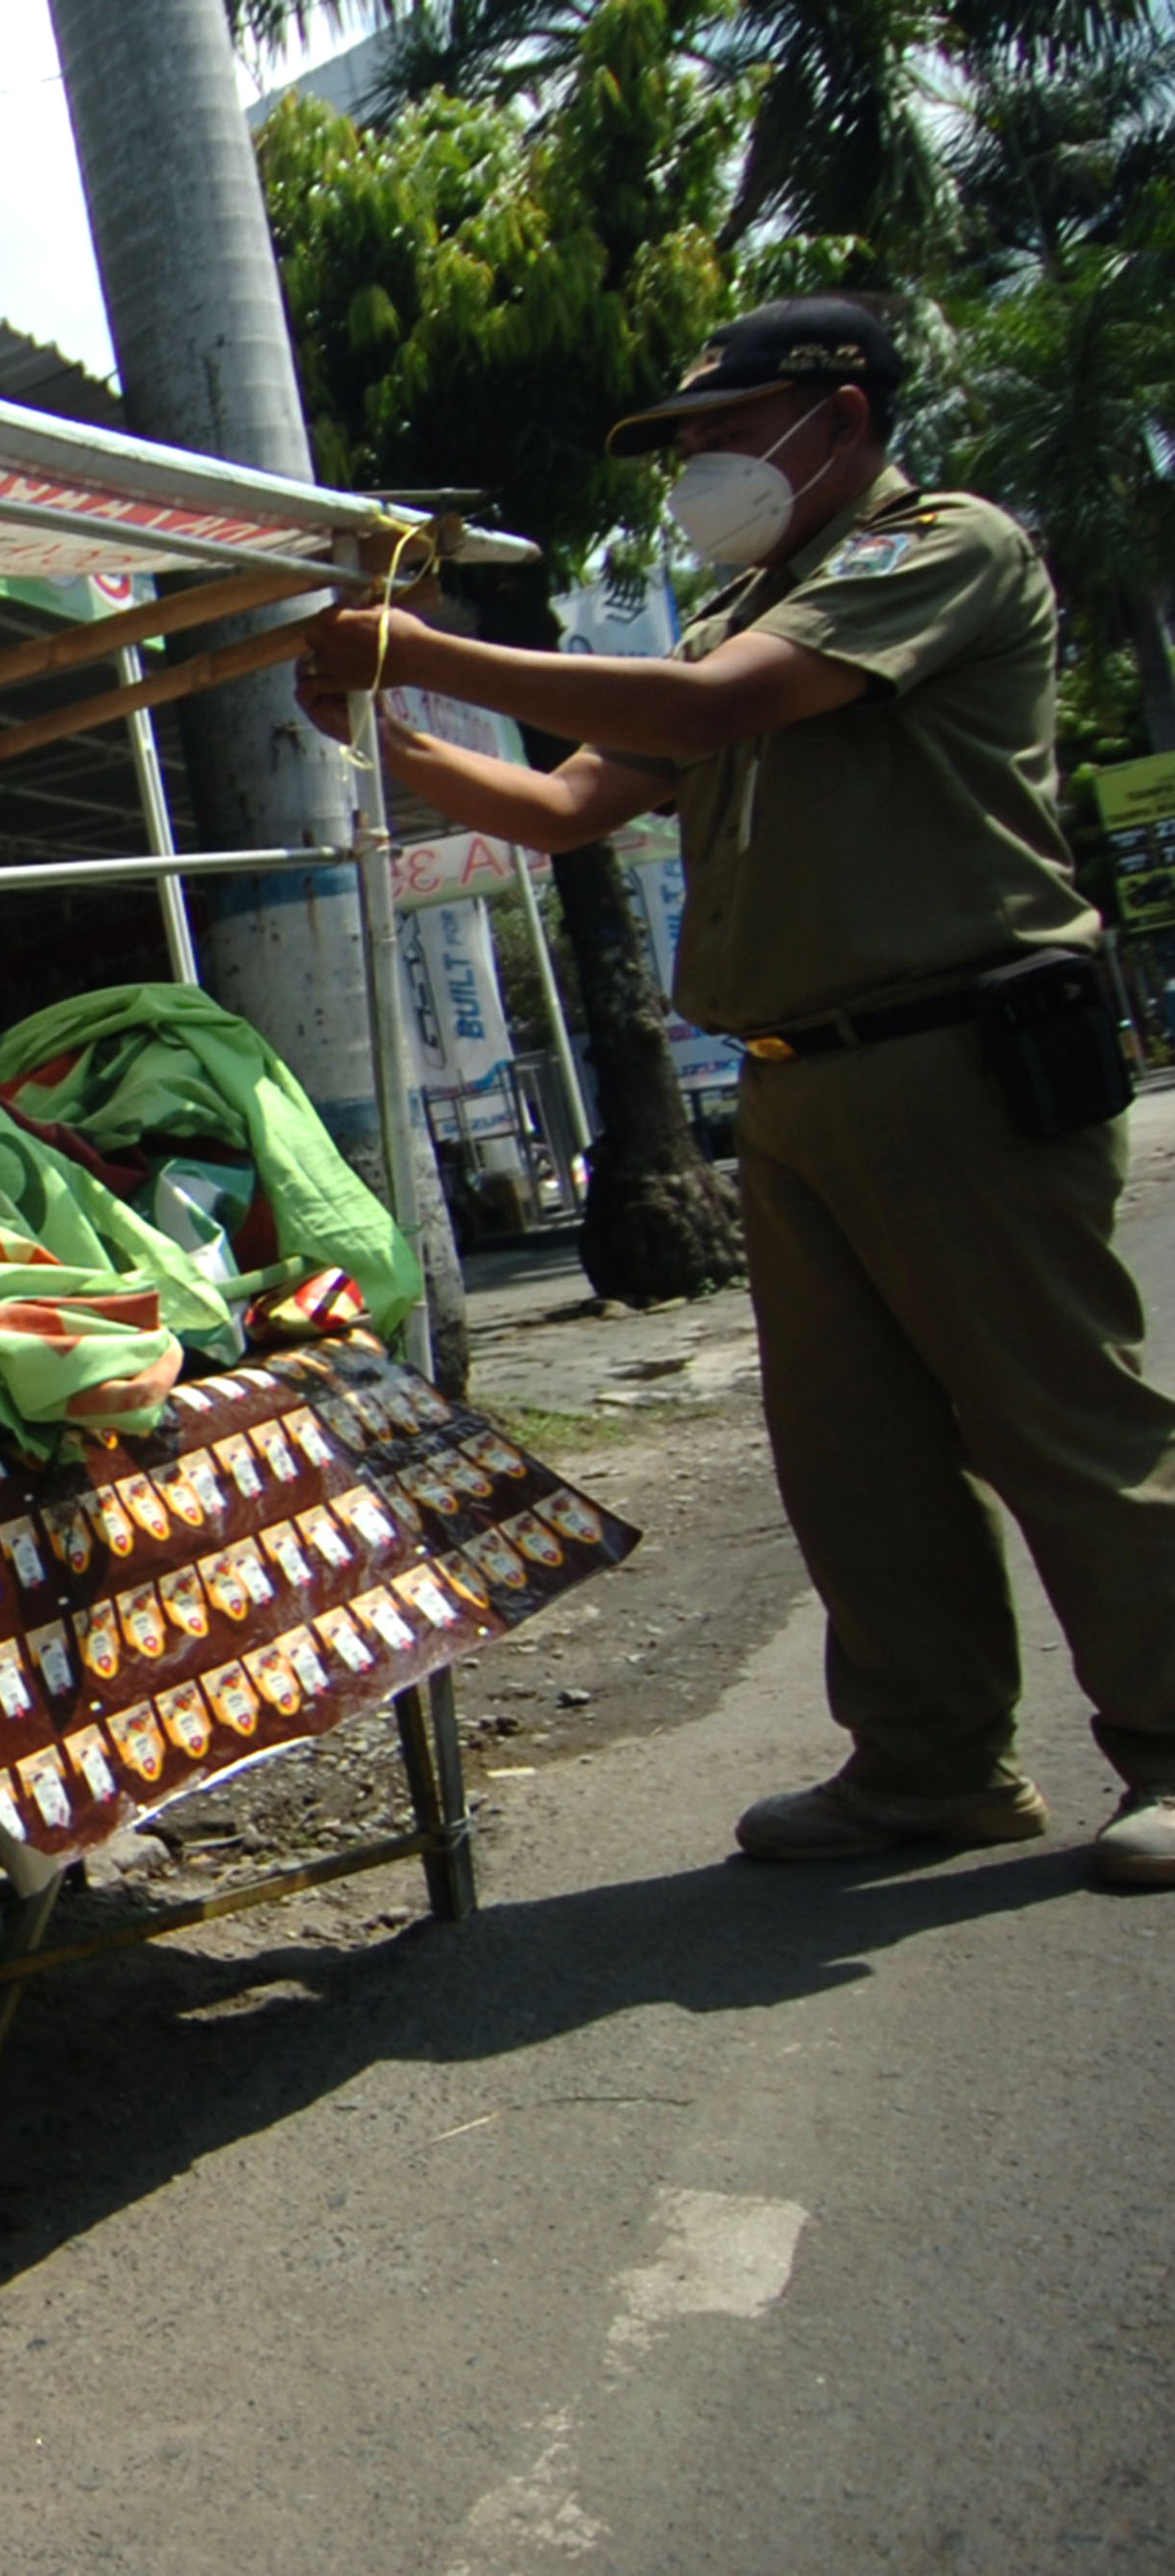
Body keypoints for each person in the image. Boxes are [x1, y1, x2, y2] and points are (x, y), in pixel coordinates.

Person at [294, 294, 1175, 1888]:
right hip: (797, 1074)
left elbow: (712, 711)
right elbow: (566, 805)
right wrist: (395, 736)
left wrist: (419, 648)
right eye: (688, 441)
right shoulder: (738, 618)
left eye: (726, 431)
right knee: (853, 1449)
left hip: (959, 1049)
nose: (700, 466)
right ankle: (931, 1764)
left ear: (840, 421)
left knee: (1062, 1420)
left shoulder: (939, 550)